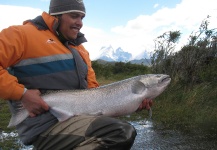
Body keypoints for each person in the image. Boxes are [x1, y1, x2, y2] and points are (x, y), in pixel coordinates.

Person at [0, 0, 152, 149]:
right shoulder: (20, 34)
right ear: (56, 15)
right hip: (45, 127)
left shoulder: (81, 50)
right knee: (119, 133)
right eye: (74, 16)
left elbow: (94, 94)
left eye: (82, 17)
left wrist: (129, 103)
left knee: (118, 131)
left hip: (79, 120)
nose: (80, 23)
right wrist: (22, 94)